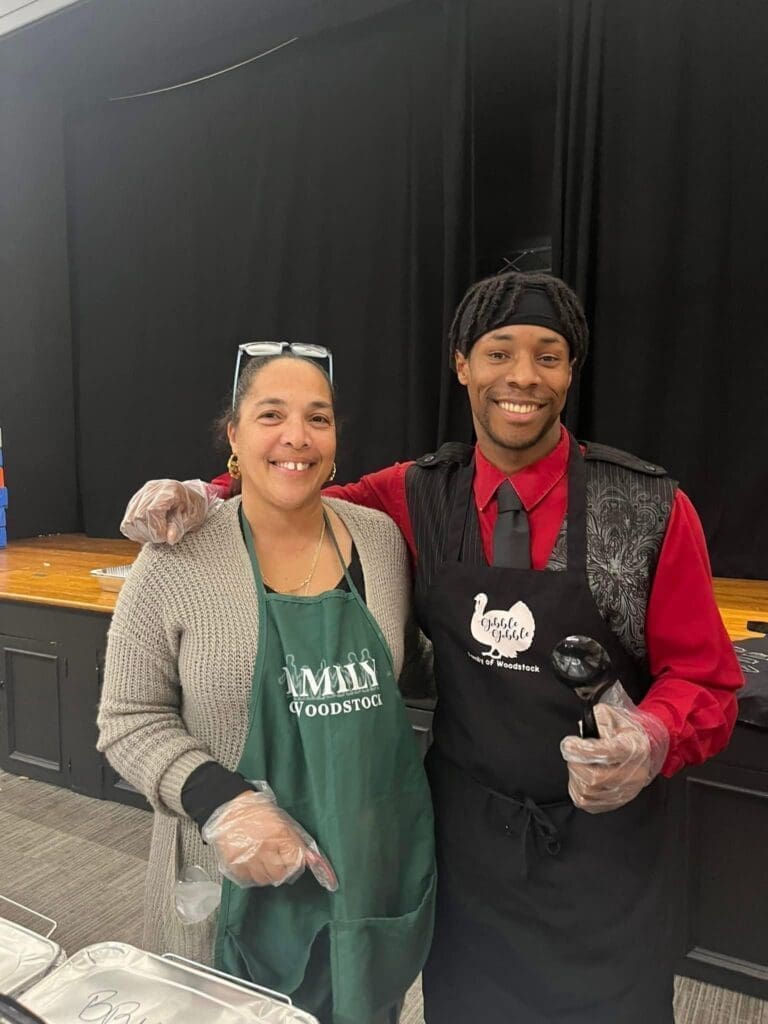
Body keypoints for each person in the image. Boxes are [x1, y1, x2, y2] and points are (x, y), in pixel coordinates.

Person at [121, 272, 743, 1024]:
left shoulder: (650, 508)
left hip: (607, 856)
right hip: (466, 849)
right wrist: (204, 492)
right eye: (498, 352)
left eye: (548, 356)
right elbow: (292, 490)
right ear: (461, 364)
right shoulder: (410, 495)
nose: (522, 376)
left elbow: (705, 681)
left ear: (571, 371)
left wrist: (652, 735)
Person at [98, 351, 436, 1024]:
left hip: (362, 889)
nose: (296, 436)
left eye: (318, 418)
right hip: (225, 897)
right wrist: (225, 806)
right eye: (271, 415)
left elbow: (414, 661)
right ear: (234, 435)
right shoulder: (178, 553)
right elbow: (127, 717)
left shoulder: (379, 543)